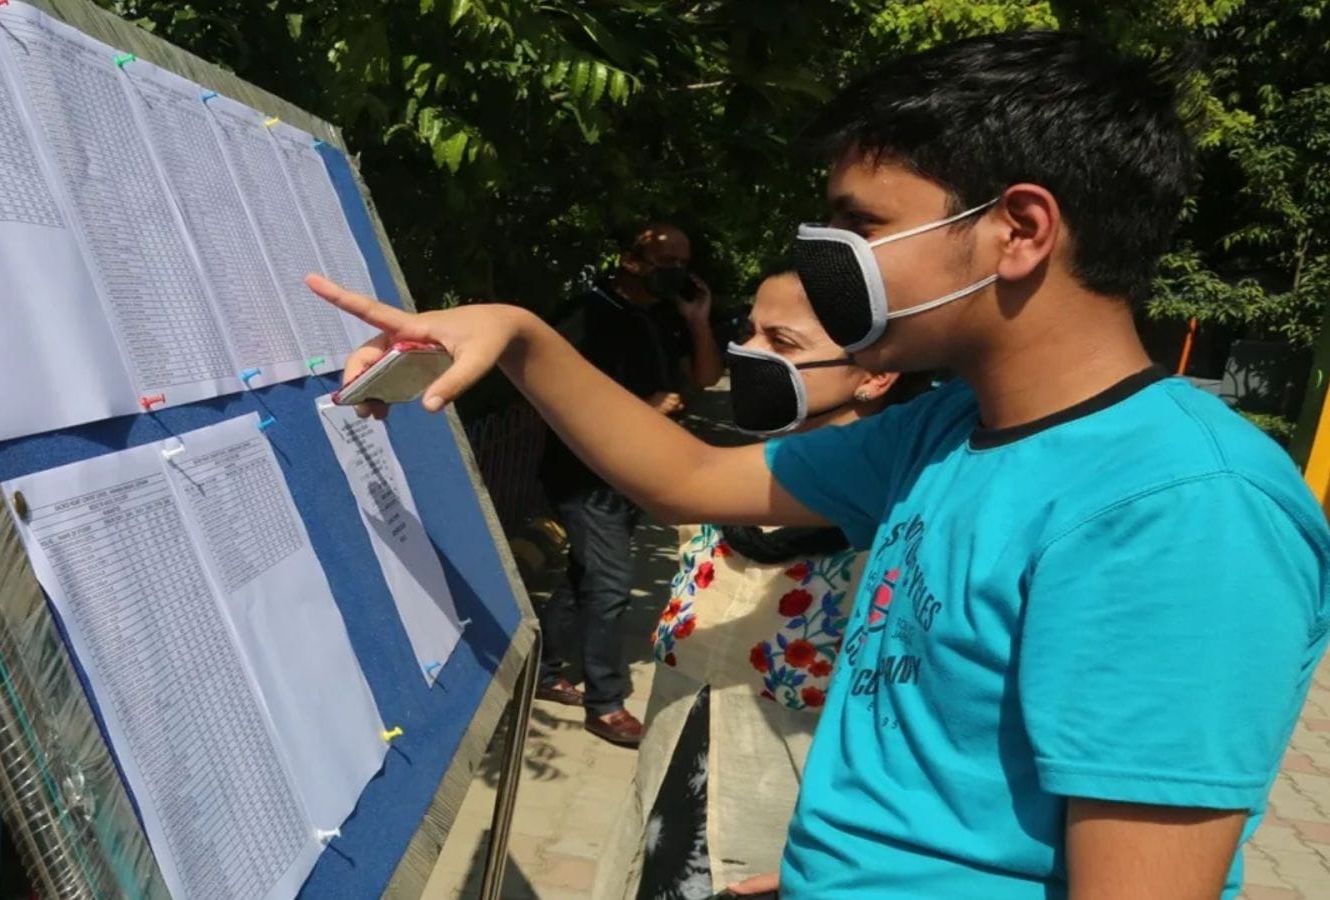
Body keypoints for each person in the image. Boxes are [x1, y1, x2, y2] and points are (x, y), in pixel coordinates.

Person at [307, 29, 1330, 899]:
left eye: (861, 225)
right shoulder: (949, 430)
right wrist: (520, 335)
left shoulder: (1181, 510)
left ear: (1018, 231)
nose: (825, 255)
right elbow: (688, 479)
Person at [593, 269, 916, 900]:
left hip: (791, 861)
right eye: (749, 332)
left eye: (782, 342)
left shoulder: (898, 536)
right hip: (662, 825)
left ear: (874, 375)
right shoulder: (714, 494)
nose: (749, 353)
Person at [536, 223, 724, 746]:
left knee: (587, 575)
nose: (677, 272)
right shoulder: (588, 314)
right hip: (585, 476)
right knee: (612, 583)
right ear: (632, 261)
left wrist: (698, 321)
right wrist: (644, 410)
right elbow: (554, 393)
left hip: (634, 473)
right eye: (666, 262)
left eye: (684, 262)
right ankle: (605, 703)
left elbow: (707, 377)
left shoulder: (665, 316)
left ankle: (543, 668)